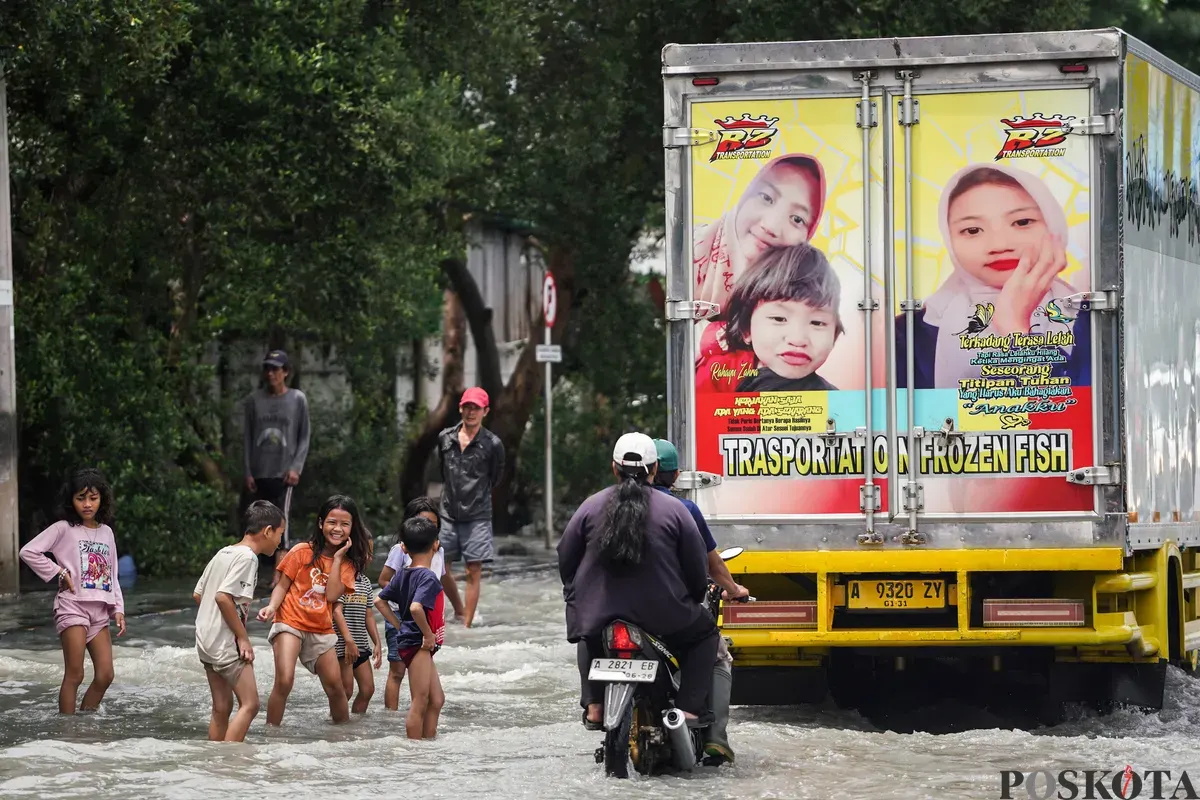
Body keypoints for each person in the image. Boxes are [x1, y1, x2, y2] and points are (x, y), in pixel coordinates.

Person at [558, 432, 718, 730]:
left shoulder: (590, 506)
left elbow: (566, 558)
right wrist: (695, 597)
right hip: (665, 617)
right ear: (654, 470)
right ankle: (689, 711)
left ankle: (594, 707)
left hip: (599, 614)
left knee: (588, 636)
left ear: (614, 468)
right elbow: (697, 567)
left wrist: (577, 598)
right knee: (706, 634)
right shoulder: (676, 511)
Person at [895, 163, 1091, 389]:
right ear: (949, 240)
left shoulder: (1093, 323)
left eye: (1022, 222)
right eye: (972, 230)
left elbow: (1070, 412)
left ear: (1053, 228)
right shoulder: (911, 334)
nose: (999, 245)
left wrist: (1015, 327)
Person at [652, 438, 748, 764]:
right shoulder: (685, 509)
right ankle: (716, 739)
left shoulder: (608, 506)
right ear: (675, 474)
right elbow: (711, 564)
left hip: (620, 610)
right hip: (675, 612)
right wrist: (733, 589)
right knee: (717, 652)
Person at [19, 468, 127, 715]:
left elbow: (112, 574)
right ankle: (67, 731)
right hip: (72, 606)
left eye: (93, 498)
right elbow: (28, 552)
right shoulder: (63, 528)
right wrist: (59, 572)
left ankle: (84, 724)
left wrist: (118, 609)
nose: (87, 504)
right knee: (75, 674)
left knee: (106, 674)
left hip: (100, 611)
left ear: (102, 499)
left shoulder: (107, 532)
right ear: (71, 500)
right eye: (81, 498)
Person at [256, 495, 368, 725]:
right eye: (332, 522)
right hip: (290, 621)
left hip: (322, 628)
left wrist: (337, 559)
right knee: (285, 680)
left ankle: (343, 739)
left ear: (352, 527)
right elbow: (282, 585)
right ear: (320, 524)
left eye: (344, 524)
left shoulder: (348, 565)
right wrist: (271, 607)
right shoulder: (300, 551)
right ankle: (271, 734)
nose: (337, 529)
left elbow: (332, 596)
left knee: (337, 689)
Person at [192, 500, 285, 741]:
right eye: (280, 534)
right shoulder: (248, 558)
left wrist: (213, 622)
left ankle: (216, 762)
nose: (279, 542)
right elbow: (223, 598)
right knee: (250, 704)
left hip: (205, 641)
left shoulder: (224, 552)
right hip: (226, 643)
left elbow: (198, 594)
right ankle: (230, 763)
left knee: (221, 708)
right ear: (267, 531)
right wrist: (242, 638)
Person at [699, 243, 845, 393]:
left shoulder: (833, 401)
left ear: (834, 335)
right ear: (746, 330)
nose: (798, 339)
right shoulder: (719, 373)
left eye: (817, 322)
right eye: (779, 319)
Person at [378, 497, 465, 711]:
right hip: (402, 614)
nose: (425, 529)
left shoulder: (438, 550)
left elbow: (443, 579)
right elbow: (383, 580)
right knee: (397, 671)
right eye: (421, 522)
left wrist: (459, 609)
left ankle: (416, 718)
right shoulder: (401, 550)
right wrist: (408, 598)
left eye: (432, 525)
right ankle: (393, 719)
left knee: (423, 673)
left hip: (426, 619)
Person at [373, 516, 447, 739]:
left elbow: (379, 601)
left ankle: (428, 742)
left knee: (437, 699)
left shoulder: (403, 573)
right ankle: (415, 752)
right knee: (420, 700)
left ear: (403, 548)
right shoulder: (428, 577)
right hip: (418, 644)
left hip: (411, 640)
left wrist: (399, 626)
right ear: (436, 544)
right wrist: (428, 635)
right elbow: (416, 608)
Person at [437, 386, 505, 628]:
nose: (470, 412)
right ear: (460, 408)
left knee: (473, 569)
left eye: (476, 408)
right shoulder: (445, 437)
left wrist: (478, 495)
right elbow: (441, 470)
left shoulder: (493, 444)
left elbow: (496, 477)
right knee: (440, 566)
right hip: (448, 512)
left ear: (485, 411)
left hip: (478, 514)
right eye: (467, 406)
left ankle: (466, 625)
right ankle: (459, 609)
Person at [242, 349, 311, 583]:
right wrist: (248, 470)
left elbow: (304, 436)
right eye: (267, 368)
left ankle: (279, 577)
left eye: (276, 369)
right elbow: (247, 437)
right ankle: (250, 575)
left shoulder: (297, 399)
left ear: (285, 372)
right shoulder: (254, 401)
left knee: (282, 523)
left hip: (284, 473)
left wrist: (296, 467)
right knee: (258, 524)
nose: (271, 373)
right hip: (260, 471)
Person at [332, 542, 383, 714]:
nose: (369, 557)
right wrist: (348, 641)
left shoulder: (366, 582)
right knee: (345, 691)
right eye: (365, 552)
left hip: (360, 644)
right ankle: (337, 726)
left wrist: (377, 642)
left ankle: (355, 727)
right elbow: (336, 613)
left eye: (370, 552)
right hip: (343, 645)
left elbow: (369, 615)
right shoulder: (340, 578)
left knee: (367, 689)